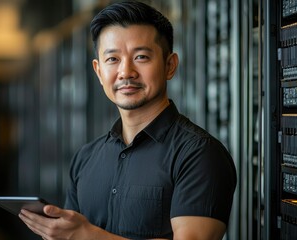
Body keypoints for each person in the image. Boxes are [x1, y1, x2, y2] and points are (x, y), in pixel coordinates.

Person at [19, 1, 237, 239]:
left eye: (141, 57)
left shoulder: (199, 154)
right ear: (98, 71)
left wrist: (88, 235)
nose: (126, 72)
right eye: (112, 59)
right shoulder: (85, 158)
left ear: (170, 66)